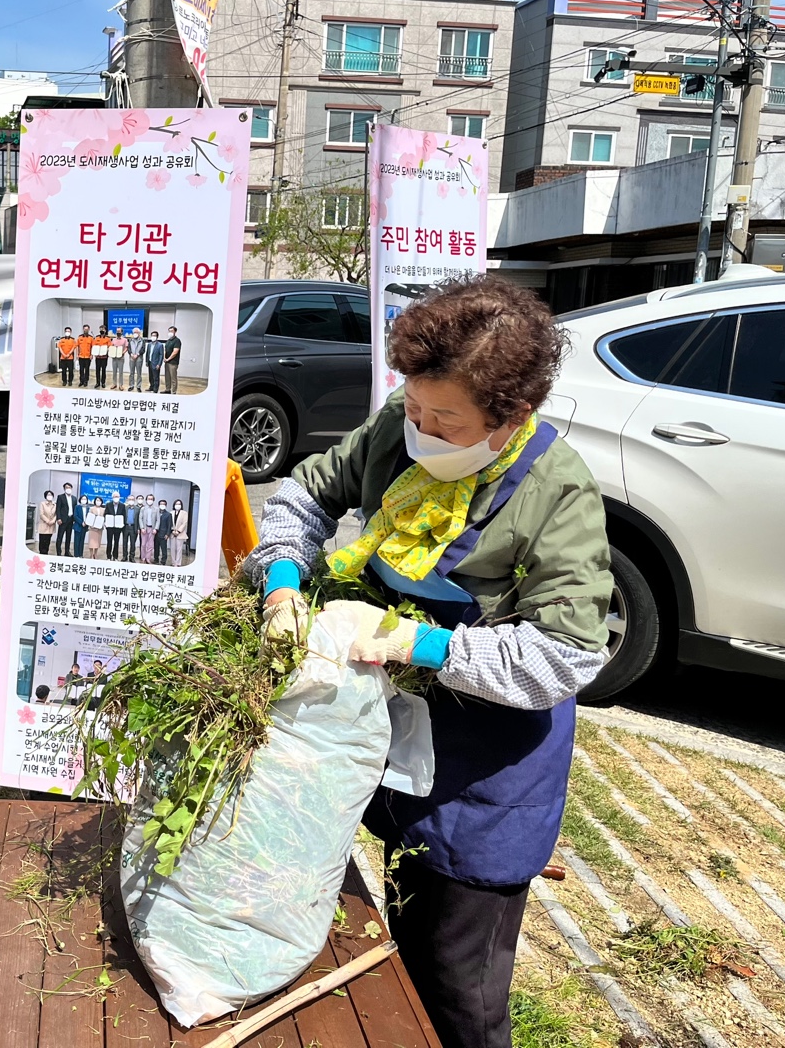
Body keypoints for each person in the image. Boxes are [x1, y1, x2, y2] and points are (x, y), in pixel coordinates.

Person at [247, 278, 613, 1048]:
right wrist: (281, 577)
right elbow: (308, 494)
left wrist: (428, 644)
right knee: (398, 923)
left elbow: (566, 654)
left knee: (459, 984)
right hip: (400, 733)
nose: (420, 430)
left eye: (445, 421)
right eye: (415, 409)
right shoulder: (397, 425)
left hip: (488, 764)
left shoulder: (557, 492)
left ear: (508, 417)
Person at [55, 483, 77, 557]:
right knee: (60, 537)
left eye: (69, 487)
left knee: (68, 537)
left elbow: (75, 509)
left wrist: (74, 519)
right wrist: (58, 518)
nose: (68, 488)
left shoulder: (74, 498)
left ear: (71, 488)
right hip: (63, 520)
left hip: (71, 520)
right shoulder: (60, 497)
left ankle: (67, 552)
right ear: (64, 488)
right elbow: (58, 508)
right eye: (66, 487)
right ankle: (59, 552)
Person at [105, 491, 126, 560]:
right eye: (115, 497)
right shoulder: (108, 504)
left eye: (117, 497)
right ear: (112, 497)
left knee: (116, 542)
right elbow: (105, 514)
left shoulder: (122, 506)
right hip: (110, 527)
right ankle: (108, 556)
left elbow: (124, 515)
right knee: (109, 542)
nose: (116, 498)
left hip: (118, 527)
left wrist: (122, 525)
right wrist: (106, 523)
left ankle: (115, 556)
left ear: (119, 498)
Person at [138, 497, 159, 564]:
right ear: (146, 500)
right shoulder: (143, 509)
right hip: (144, 528)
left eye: (151, 499)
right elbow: (140, 519)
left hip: (152, 529)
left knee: (150, 545)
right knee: (143, 544)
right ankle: (143, 557)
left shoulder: (156, 509)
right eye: (148, 499)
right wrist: (142, 528)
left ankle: (148, 558)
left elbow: (158, 520)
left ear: (153, 500)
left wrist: (156, 528)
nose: (150, 500)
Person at [169, 498, 189, 567]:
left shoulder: (184, 513)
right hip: (172, 533)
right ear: (174, 505)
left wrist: (178, 531)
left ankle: (178, 563)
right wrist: (172, 530)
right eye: (176, 504)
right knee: (172, 549)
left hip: (180, 534)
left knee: (179, 549)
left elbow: (184, 523)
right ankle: (173, 562)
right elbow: (169, 523)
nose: (178, 505)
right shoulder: (171, 513)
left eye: (179, 504)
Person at [36, 490, 57, 555]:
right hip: (44, 524)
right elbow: (41, 514)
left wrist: (53, 521)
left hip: (51, 525)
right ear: (45, 496)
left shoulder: (55, 504)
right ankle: (41, 553)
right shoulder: (42, 504)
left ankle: (46, 552)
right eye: (48, 495)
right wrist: (48, 521)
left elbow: (56, 514)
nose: (49, 496)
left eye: (51, 495)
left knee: (48, 540)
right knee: (42, 540)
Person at [164, 326, 183, 394]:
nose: (170, 332)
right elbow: (165, 350)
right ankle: (167, 389)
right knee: (167, 377)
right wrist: (164, 358)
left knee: (173, 377)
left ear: (175, 331)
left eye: (171, 331)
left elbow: (175, 351)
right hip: (166, 362)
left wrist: (168, 359)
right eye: (169, 331)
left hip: (173, 362)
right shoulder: (168, 340)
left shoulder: (177, 340)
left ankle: (174, 391)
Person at [127, 327, 146, 392]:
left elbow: (143, 349)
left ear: (139, 333)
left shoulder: (142, 340)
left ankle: (138, 386)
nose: (135, 333)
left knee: (139, 373)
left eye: (136, 332)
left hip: (139, 358)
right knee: (131, 373)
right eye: (134, 332)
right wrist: (131, 354)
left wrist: (137, 354)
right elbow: (128, 348)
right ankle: (131, 385)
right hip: (131, 358)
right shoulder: (130, 340)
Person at [153, 499, 172, 564]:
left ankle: (163, 560)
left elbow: (169, 525)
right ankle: (156, 559)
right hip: (155, 533)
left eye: (163, 504)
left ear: (166, 505)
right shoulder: (156, 512)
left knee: (164, 548)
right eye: (161, 504)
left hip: (163, 534)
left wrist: (167, 534)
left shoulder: (168, 514)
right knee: (156, 548)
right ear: (158, 505)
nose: (162, 505)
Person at [123, 494, 141, 563]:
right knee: (125, 542)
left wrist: (138, 528)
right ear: (127, 500)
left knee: (133, 543)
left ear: (134, 500)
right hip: (126, 527)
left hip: (134, 527)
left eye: (132, 499)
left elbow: (139, 519)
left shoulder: (138, 509)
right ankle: (124, 556)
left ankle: (132, 557)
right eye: (129, 499)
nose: (131, 501)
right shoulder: (125, 508)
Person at [73, 494, 89, 559]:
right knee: (77, 541)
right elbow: (75, 516)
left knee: (82, 541)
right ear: (80, 500)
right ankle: (76, 555)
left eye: (85, 499)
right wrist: (81, 522)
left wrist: (86, 523)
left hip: (84, 527)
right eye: (82, 499)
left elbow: (89, 517)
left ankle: (80, 554)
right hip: (78, 526)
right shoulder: (77, 507)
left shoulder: (88, 508)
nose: (84, 500)